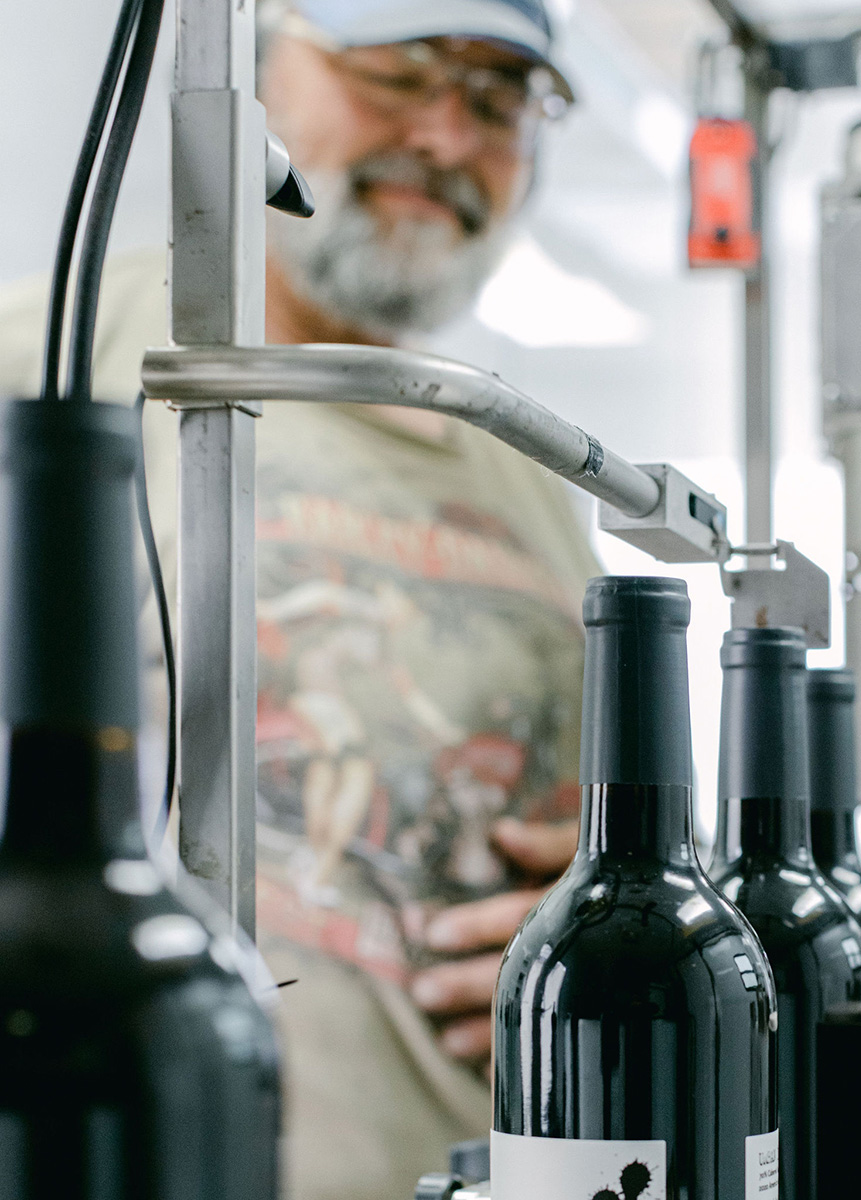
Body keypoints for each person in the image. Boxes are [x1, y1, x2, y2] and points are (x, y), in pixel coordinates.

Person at [0, 1, 593, 1196]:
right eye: (399, 69)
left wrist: (589, 917)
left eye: (497, 101)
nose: (440, 133)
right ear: (258, 65)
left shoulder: (535, 470)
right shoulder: (48, 360)